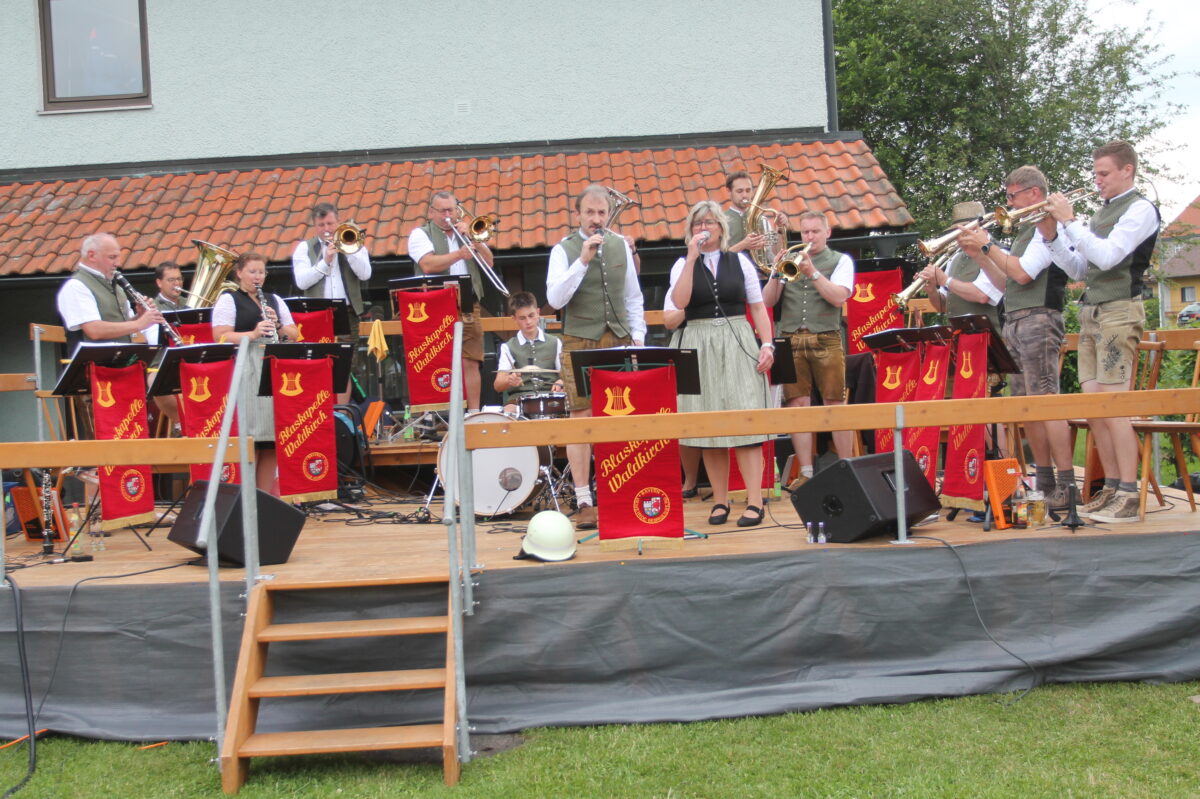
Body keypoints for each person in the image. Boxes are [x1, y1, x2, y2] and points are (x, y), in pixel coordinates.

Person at [1042, 140, 1160, 523]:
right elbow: (1081, 270)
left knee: (1114, 407)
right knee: (1096, 409)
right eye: (1096, 173)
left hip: (1119, 311)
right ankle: (1110, 487)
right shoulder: (1101, 213)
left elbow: (1110, 257)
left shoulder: (1140, 209)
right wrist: (1053, 237)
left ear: (1127, 170)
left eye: (1104, 173)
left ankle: (1128, 493)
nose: (1097, 181)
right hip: (1093, 312)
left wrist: (1070, 221)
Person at [958, 167, 1073, 510]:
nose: (1008, 203)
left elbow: (1023, 273)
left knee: (1045, 403)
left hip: (1040, 318)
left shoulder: (1045, 227)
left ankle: (1066, 485)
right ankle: (1045, 480)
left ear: (1034, 194)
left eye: (1012, 196)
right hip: (1018, 319)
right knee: (1027, 406)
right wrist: (980, 254)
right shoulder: (1026, 232)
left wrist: (988, 245)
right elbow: (1006, 284)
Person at [663, 201, 775, 526]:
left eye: (710, 222)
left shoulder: (738, 261)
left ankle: (754, 501)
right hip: (697, 342)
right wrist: (692, 260)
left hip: (738, 338)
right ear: (690, 229)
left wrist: (766, 344)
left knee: (745, 422)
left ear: (722, 228)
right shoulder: (681, 265)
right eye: (698, 223)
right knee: (708, 426)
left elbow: (756, 307)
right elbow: (680, 302)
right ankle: (720, 501)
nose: (704, 228)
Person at [546, 184, 647, 529]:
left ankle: (620, 490)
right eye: (589, 212)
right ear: (578, 215)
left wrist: (638, 338)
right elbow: (556, 299)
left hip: (618, 341)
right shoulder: (564, 250)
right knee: (581, 418)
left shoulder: (621, 245)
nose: (596, 218)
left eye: (602, 212)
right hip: (578, 340)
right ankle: (584, 497)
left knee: (621, 414)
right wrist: (583, 260)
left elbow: (633, 297)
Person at [761, 211, 855, 489]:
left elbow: (839, 298)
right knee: (796, 406)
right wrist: (777, 273)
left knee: (834, 404)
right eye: (805, 232)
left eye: (815, 232)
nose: (810, 237)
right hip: (788, 339)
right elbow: (768, 300)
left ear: (828, 233)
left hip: (826, 336)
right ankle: (806, 472)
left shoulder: (841, 261)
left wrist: (812, 272)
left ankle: (845, 468)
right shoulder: (788, 258)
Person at [212, 252, 301, 494]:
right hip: (246, 368)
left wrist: (279, 325)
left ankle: (263, 497)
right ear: (239, 273)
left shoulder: (273, 299)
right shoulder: (229, 299)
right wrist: (252, 333)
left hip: (271, 367)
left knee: (271, 440)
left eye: (261, 272)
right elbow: (219, 335)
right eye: (252, 272)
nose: (257, 277)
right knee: (252, 438)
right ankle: (247, 496)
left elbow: (294, 334)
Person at [408, 190, 495, 412]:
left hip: (467, 300)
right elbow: (427, 264)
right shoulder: (420, 234)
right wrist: (459, 254)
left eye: (452, 210)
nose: (449, 215)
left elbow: (489, 263)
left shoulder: (465, 233)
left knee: (471, 358)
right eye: (443, 210)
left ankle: (473, 413)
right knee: (435, 358)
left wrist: (474, 239)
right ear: (431, 212)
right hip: (435, 303)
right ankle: (436, 413)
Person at [56, 232, 164, 351]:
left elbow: (123, 326)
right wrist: (139, 324)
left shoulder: (117, 287)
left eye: (117, 257)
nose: (117, 263)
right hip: (93, 365)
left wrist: (140, 316)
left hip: (120, 361)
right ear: (92, 256)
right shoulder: (76, 285)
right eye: (112, 257)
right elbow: (94, 330)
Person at [918, 201, 1004, 330]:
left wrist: (944, 280)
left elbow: (982, 295)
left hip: (990, 338)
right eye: (955, 232)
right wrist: (931, 290)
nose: (957, 237)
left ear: (980, 228)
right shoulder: (955, 258)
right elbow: (944, 306)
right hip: (962, 337)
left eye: (962, 230)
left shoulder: (999, 253)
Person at [291, 202, 372, 318]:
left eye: (330, 223)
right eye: (321, 225)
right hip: (318, 314)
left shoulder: (354, 243)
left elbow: (365, 275)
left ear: (338, 222)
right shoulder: (304, 248)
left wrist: (348, 249)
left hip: (348, 313)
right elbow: (301, 283)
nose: (326, 229)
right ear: (314, 225)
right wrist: (325, 262)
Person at [494, 291, 564, 416]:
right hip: (519, 401)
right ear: (514, 319)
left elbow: (566, 376)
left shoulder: (555, 342)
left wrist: (561, 382)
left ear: (538, 312)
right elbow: (498, 385)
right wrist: (509, 380)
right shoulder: (508, 347)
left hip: (551, 398)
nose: (528, 321)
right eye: (522, 318)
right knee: (507, 412)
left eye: (531, 315)